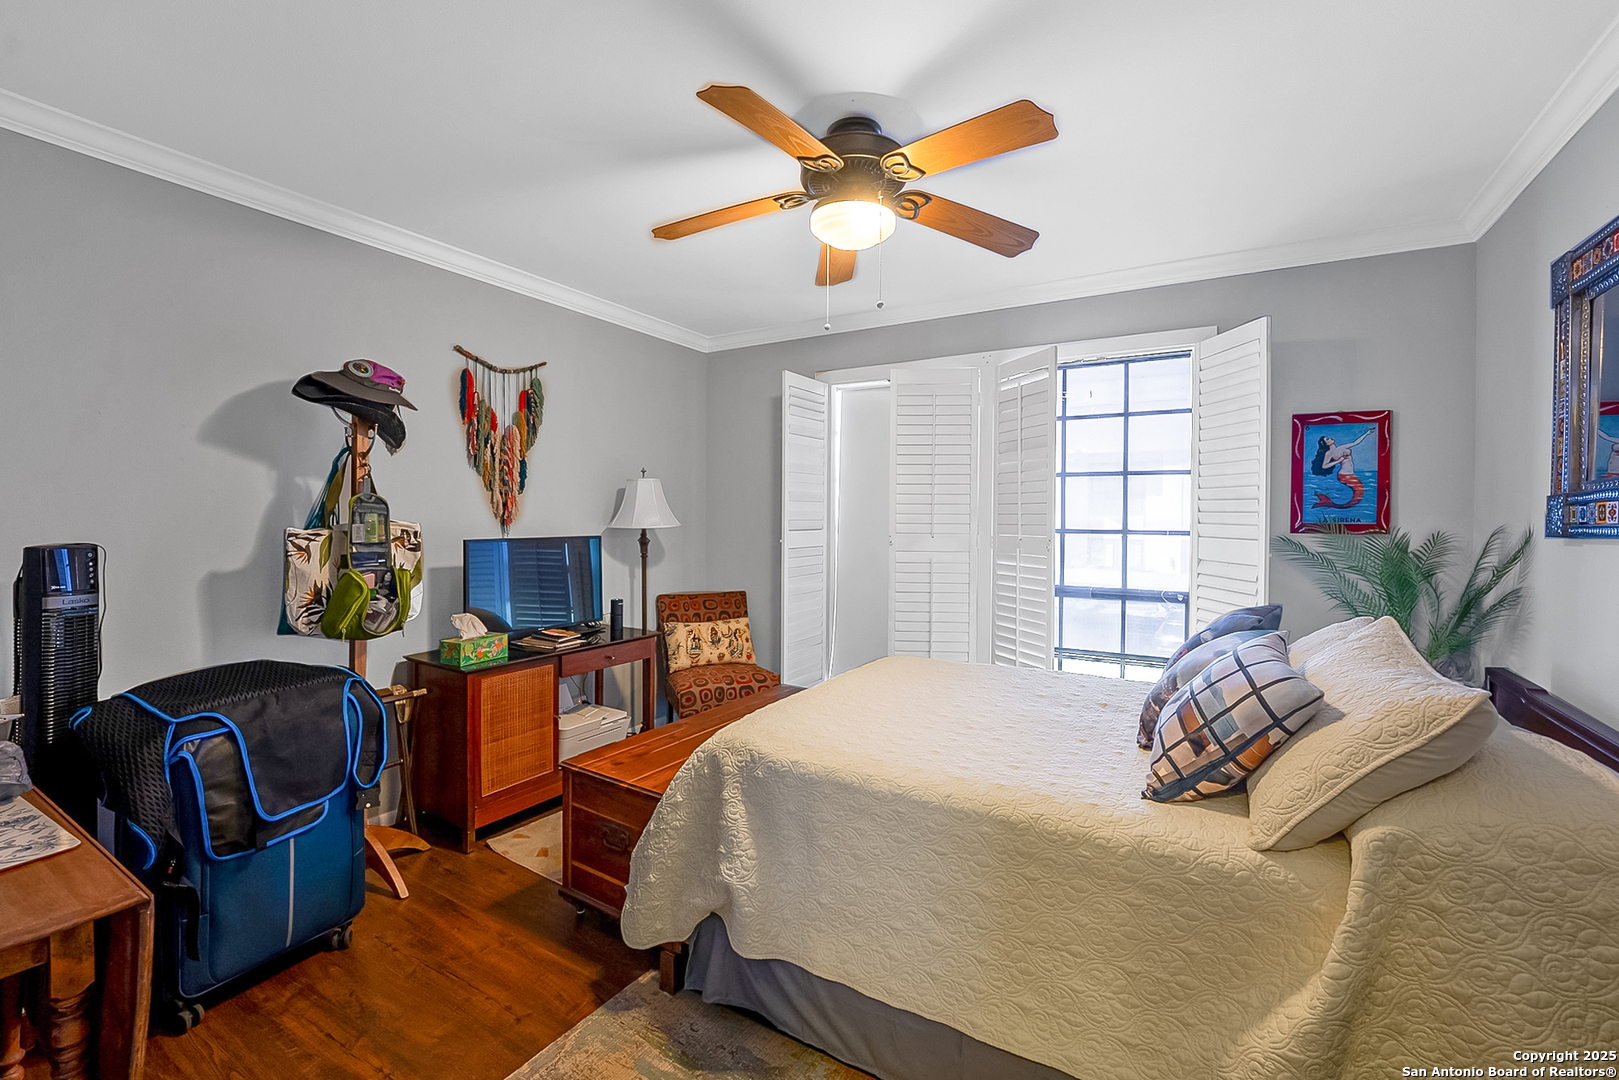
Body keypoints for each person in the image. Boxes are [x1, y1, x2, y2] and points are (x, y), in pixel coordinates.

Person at [1310, 429, 1373, 509]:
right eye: (1327, 439)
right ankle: (1329, 502)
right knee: (1359, 491)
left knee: (1359, 492)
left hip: (1351, 474)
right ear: (1326, 444)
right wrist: (1338, 461)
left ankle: (1329, 502)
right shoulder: (1329, 453)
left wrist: (1366, 434)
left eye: (1328, 437)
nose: (1330, 438)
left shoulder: (1342, 447)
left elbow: (1355, 443)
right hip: (1344, 475)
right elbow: (1324, 466)